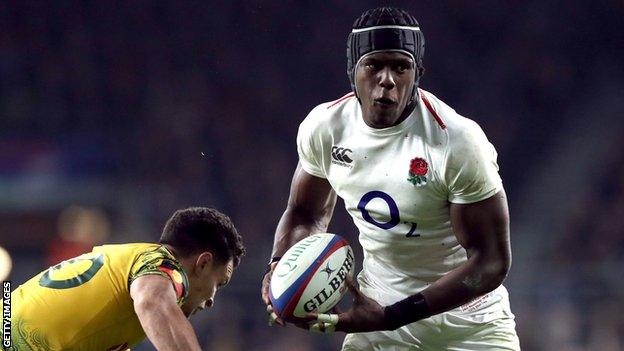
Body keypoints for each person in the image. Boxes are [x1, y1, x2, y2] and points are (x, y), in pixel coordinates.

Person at [261, 7, 520, 350]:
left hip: (469, 326)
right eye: (374, 65)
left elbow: (492, 262)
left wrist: (393, 315)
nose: (387, 78)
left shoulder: (457, 141)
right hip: (379, 317)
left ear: (418, 73)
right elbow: (305, 214)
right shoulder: (325, 128)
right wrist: (281, 268)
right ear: (353, 71)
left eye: (401, 66)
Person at [4, 207, 245, 350]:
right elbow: (152, 301)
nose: (211, 300)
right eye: (219, 283)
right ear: (202, 263)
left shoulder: (125, 263)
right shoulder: (162, 266)